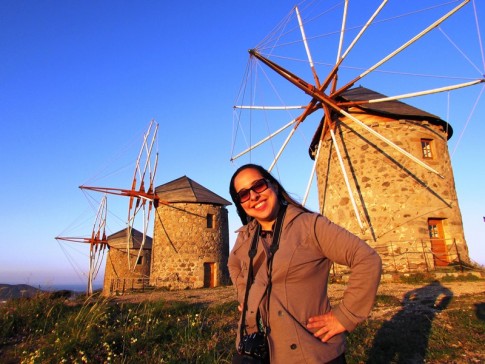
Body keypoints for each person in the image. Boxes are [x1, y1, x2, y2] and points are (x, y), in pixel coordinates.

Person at [228, 164, 382, 363]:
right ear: (240, 204)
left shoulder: (310, 225)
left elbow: (367, 259)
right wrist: (245, 295)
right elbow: (233, 265)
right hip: (254, 350)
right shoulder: (246, 236)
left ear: (273, 186)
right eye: (244, 194)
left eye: (258, 186)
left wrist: (345, 316)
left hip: (309, 352)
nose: (254, 196)